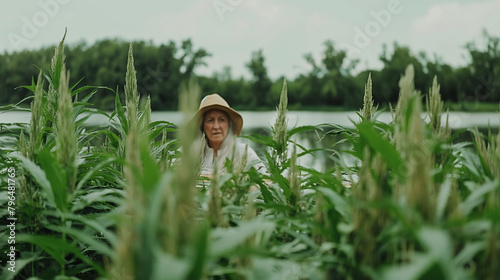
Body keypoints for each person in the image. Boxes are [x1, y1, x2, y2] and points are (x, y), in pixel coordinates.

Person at [195, 93, 267, 177]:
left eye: (221, 120)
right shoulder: (188, 153)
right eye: (210, 120)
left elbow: (264, 180)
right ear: (202, 125)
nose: (216, 126)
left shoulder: (244, 152)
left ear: (229, 124)